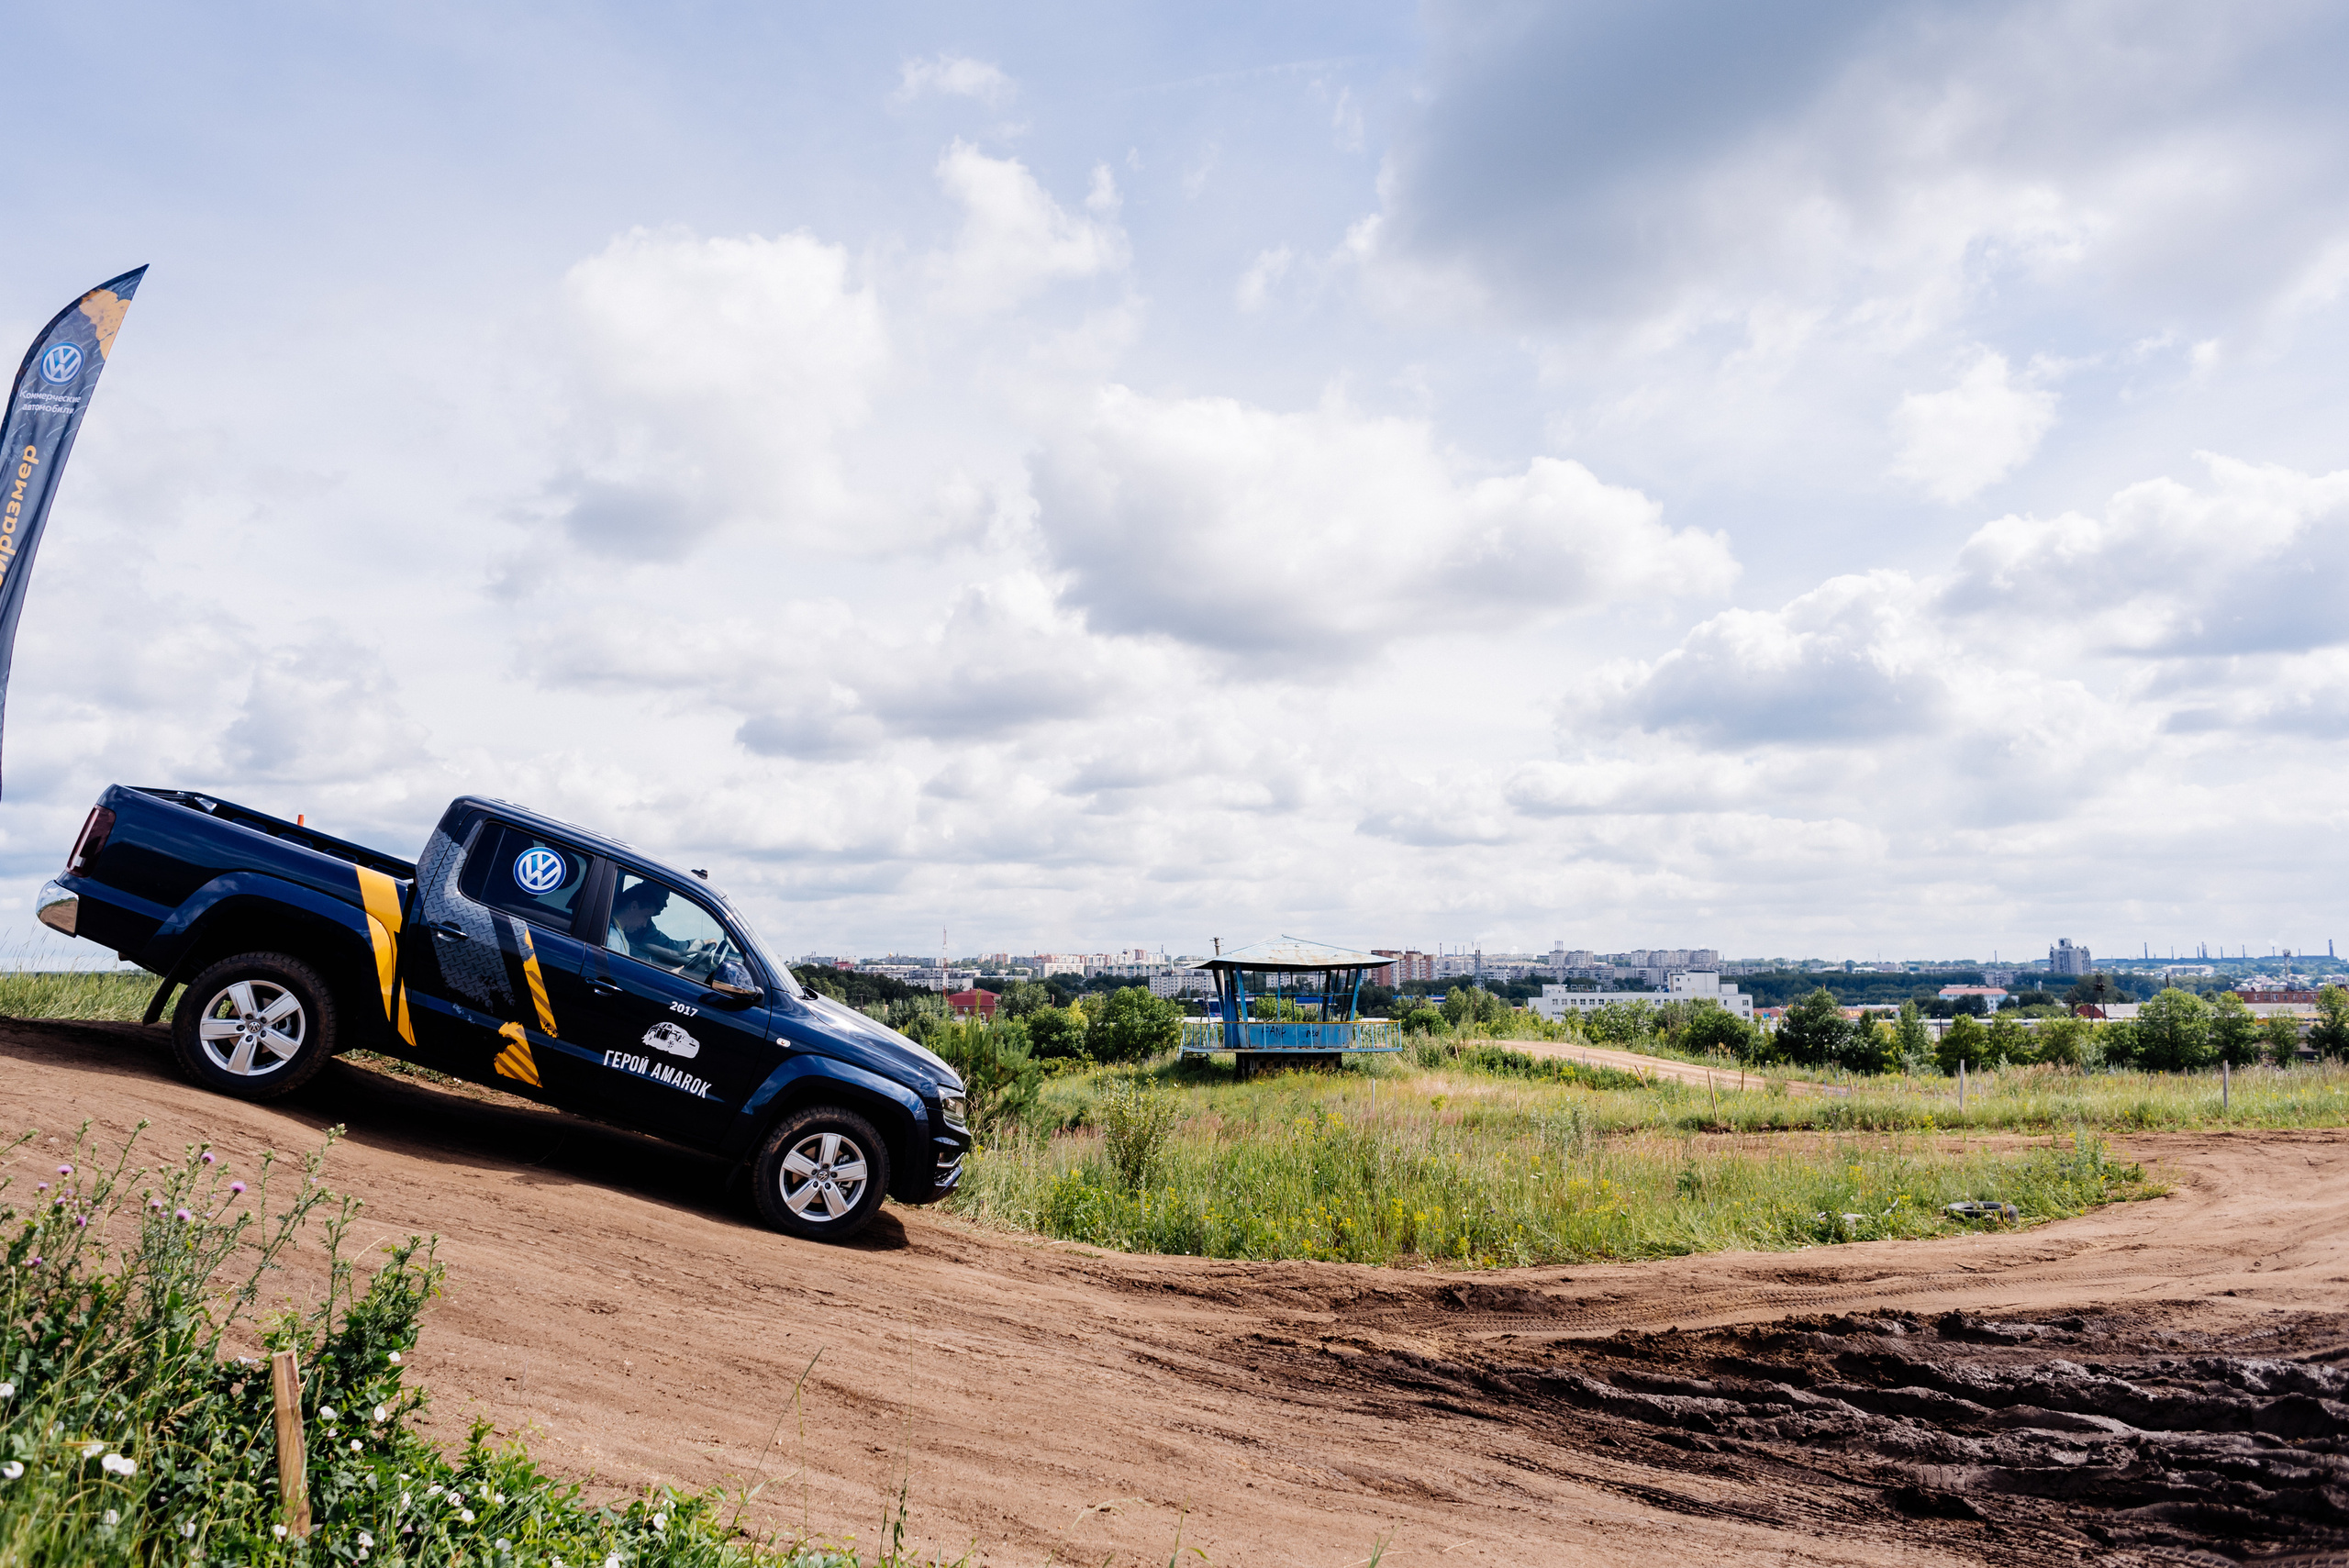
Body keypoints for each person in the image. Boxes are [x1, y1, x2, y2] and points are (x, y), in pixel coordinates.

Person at [608, 882, 692, 970]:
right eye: (646, 917)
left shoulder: (619, 936)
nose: (645, 925)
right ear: (633, 907)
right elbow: (619, 975)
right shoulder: (613, 941)